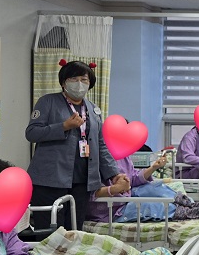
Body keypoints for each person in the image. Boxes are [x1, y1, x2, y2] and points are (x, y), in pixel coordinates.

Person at [26, 59, 127, 231]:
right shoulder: (48, 102)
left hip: (82, 181)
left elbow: (100, 145)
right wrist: (63, 126)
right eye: (74, 79)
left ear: (90, 83)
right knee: (51, 232)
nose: (79, 84)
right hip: (50, 179)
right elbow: (32, 133)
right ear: (63, 82)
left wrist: (114, 174)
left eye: (84, 79)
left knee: (74, 230)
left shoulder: (93, 110)